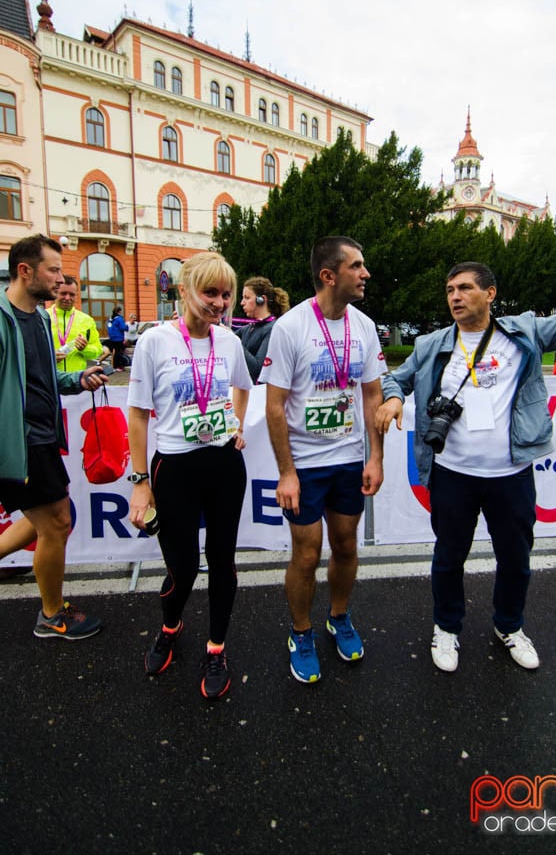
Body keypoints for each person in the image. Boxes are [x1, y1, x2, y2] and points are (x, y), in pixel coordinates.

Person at [375, 262, 556, 674]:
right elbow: (395, 379)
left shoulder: (524, 333)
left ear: (490, 293)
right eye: (449, 290)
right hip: (452, 475)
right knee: (448, 556)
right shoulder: (431, 344)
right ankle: (446, 627)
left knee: (515, 558)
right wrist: (391, 398)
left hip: (509, 476)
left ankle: (509, 626)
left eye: (464, 288)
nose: (455, 297)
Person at [260, 236, 386, 684]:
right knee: (307, 553)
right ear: (329, 275)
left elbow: (372, 395)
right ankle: (301, 631)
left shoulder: (365, 327)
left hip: (349, 457)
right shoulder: (291, 328)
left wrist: (376, 457)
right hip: (306, 463)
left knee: (347, 543)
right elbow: (275, 407)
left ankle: (338, 617)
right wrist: (287, 473)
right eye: (357, 266)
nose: (365, 273)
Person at [127, 251, 252, 700]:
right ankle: (170, 625)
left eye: (225, 294)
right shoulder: (154, 342)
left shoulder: (231, 342)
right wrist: (140, 482)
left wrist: (237, 425)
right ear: (183, 290)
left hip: (222, 464)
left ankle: (216, 647)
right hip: (174, 466)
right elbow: (138, 416)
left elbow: (243, 387)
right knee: (181, 568)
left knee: (223, 562)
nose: (219, 302)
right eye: (210, 292)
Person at [0, 234, 107, 639]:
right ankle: (51, 615)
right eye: (54, 270)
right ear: (25, 271)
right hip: (20, 442)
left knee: (45, 520)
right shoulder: (1, 318)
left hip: (44, 438)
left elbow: (46, 380)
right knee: (57, 523)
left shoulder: (41, 318)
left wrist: (78, 379)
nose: (62, 280)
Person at [238, 276, 290, 382]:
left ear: (261, 300)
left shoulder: (273, 329)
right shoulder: (248, 328)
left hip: (260, 394)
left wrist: (234, 341)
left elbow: (257, 369)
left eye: (247, 298)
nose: (242, 302)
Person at [46, 275, 103, 372]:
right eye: (63, 293)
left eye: (72, 294)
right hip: (48, 379)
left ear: (76, 295)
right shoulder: (43, 317)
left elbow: (97, 350)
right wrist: (48, 357)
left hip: (76, 381)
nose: (67, 298)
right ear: (56, 293)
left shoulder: (87, 320)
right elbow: (31, 351)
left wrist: (85, 348)